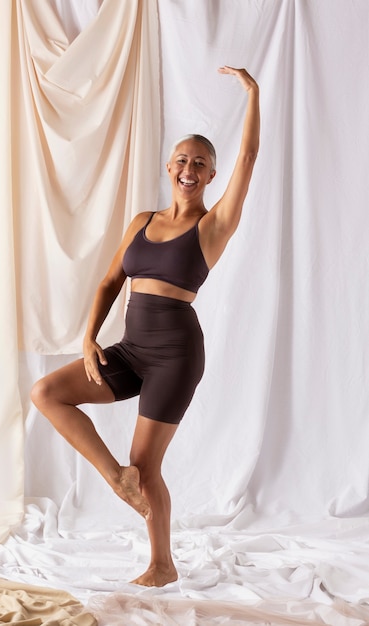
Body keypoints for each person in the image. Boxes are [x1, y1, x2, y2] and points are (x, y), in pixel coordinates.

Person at [31, 66, 260, 587]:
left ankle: (162, 564)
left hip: (177, 355)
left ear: (210, 176)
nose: (188, 167)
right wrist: (89, 338)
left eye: (200, 163)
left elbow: (248, 158)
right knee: (47, 392)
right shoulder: (141, 221)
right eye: (181, 158)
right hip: (132, 348)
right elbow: (111, 280)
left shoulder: (214, 225)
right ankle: (116, 479)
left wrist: (252, 94)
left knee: (147, 462)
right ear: (168, 164)